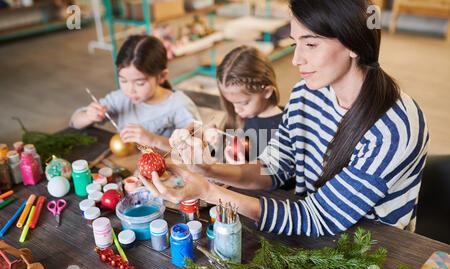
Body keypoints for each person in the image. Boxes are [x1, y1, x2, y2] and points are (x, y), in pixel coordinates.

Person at [140, 0, 429, 237]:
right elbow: (273, 168)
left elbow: (319, 217)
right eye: (295, 44)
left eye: (311, 44)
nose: (296, 60)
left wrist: (209, 191)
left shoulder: (394, 129)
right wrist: (209, 170)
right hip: (311, 233)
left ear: (353, 44)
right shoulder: (307, 93)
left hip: (370, 251)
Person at [70, 35, 202, 152]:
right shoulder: (120, 98)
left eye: (139, 83)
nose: (130, 89)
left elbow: (197, 148)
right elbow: (75, 121)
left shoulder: (178, 104)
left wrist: (153, 140)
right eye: (123, 80)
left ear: (162, 76)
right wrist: (89, 115)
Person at [170, 45, 283, 164]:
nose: (236, 109)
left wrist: (243, 170)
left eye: (243, 103)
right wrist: (217, 144)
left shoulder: (282, 130)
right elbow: (224, 158)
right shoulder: (244, 115)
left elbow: (273, 179)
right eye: (231, 102)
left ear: (267, 92)